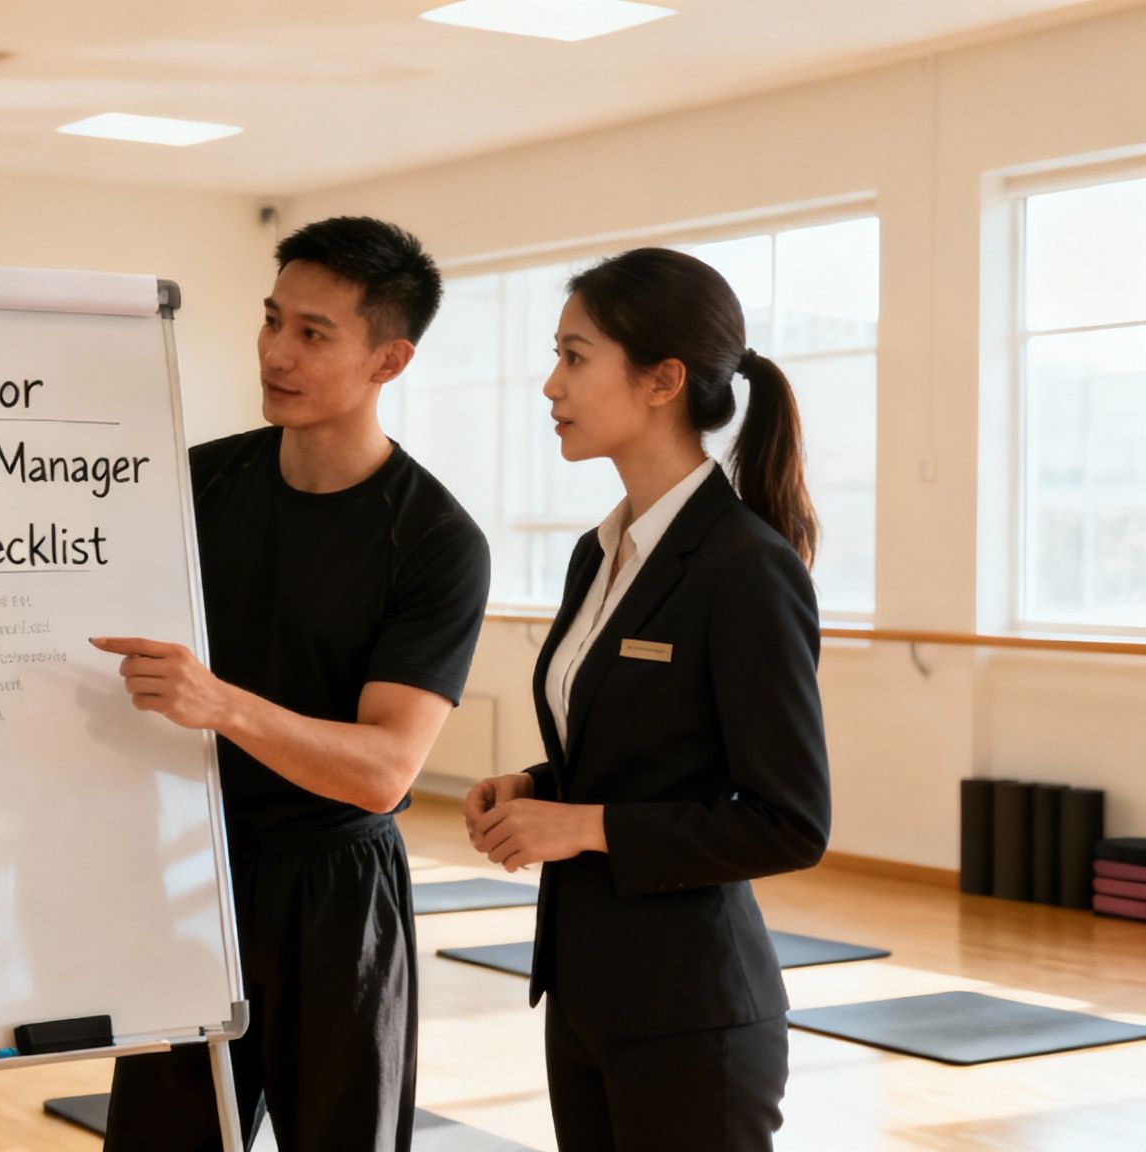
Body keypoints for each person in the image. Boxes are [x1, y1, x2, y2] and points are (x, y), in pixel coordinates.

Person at [93, 215, 491, 1151]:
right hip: (194, 868)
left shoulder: (437, 542)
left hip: (336, 893)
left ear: (388, 361)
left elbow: (385, 770)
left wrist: (219, 701)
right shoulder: (198, 484)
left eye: (313, 334)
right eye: (273, 320)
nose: (276, 351)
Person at [464, 247, 832, 1151]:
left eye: (575, 356)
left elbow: (788, 821)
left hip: (694, 1017)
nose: (551, 383)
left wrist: (583, 825)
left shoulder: (748, 570)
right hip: (586, 996)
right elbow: (646, 750)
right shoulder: (600, 553)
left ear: (663, 379)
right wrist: (540, 786)